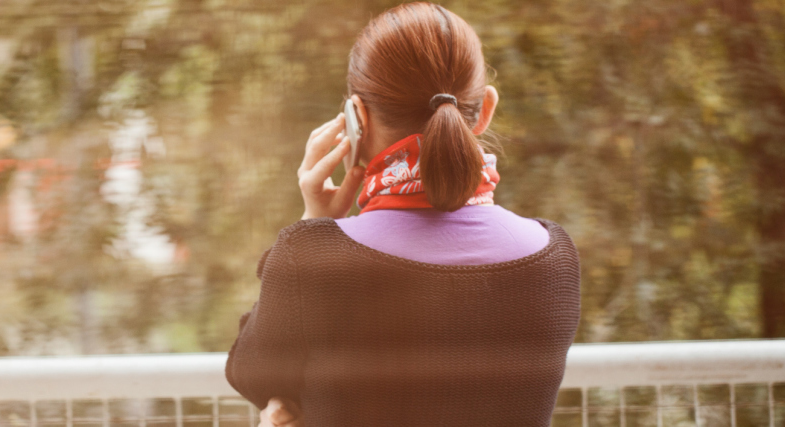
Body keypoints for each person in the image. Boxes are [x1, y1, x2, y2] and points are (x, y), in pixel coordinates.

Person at [224, 3, 582, 426]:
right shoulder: (556, 258)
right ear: (484, 110)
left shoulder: (314, 256)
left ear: (356, 118)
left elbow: (250, 374)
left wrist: (311, 223)